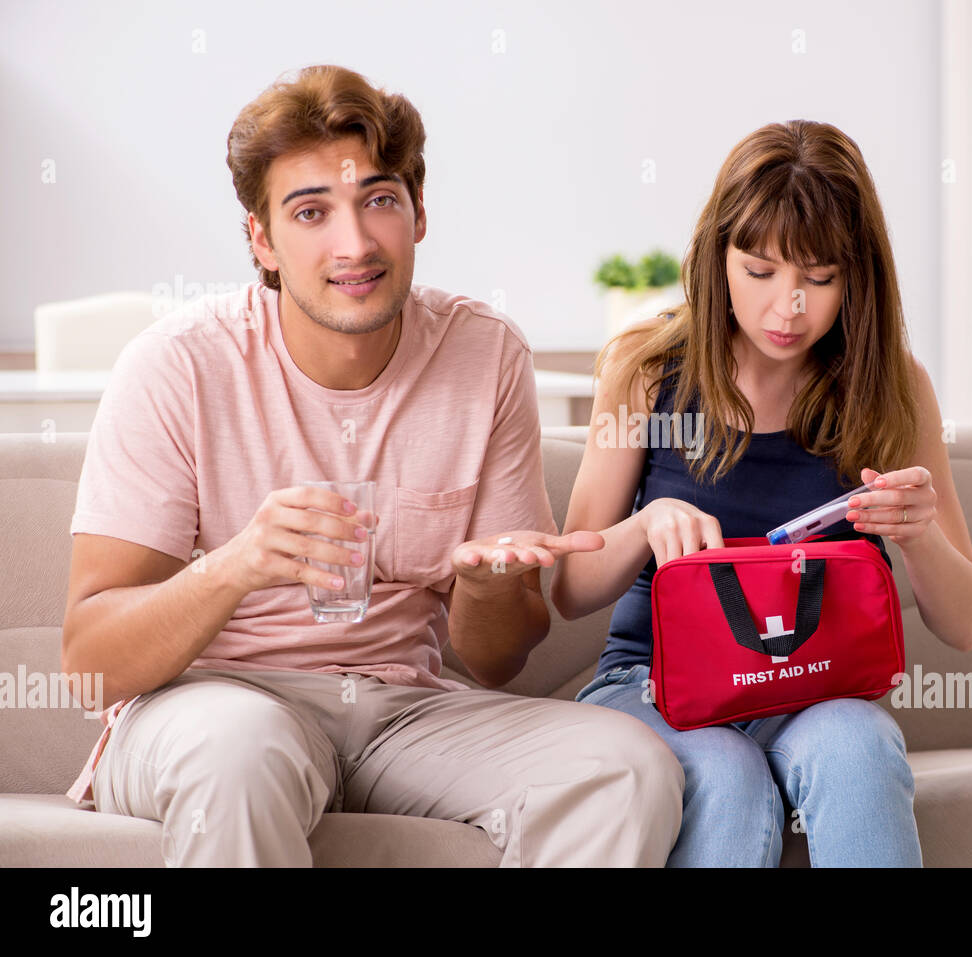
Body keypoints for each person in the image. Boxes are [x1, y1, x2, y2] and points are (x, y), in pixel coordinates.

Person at [60, 64, 684, 867]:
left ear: (419, 214)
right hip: (216, 702)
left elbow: (498, 658)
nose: (353, 244)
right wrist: (235, 567)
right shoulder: (176, 367)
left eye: (379, 201)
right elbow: (89, 666)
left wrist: (490, 587)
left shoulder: (484, 353)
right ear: (262, 239)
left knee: (627, 768)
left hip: (405, 711)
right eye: (311, 212)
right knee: (240, 751)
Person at [551, 119, 972, 867]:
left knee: (860, 745)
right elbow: (568, 586)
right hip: (656, 687)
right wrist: (646, 525)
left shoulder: (895, 389)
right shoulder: (647, 369)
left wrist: (918, 535)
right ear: (716, 256)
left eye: (819, 279)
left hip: (815, 693)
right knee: (726, 773)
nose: (789, 308)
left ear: (858, 277)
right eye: (760, 271)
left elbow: (967, 622)